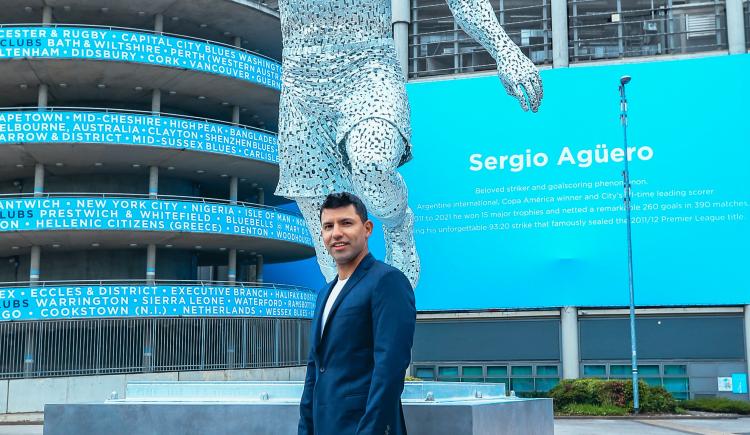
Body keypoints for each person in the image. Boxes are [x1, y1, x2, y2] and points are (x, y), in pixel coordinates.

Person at [274, 0, 543, 289]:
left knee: (372, 164)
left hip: (368, 67)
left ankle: (398, 225)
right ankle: (353, 311)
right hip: (301, 85)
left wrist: (504, 50)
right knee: (323, 221)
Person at [298, 192, 416, 435]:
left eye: (346, 223)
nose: (336, 233)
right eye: (328, 226)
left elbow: (390, 369)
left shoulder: (387, 281)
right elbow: (315, 371)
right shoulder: (325, 294)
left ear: (367, 228)